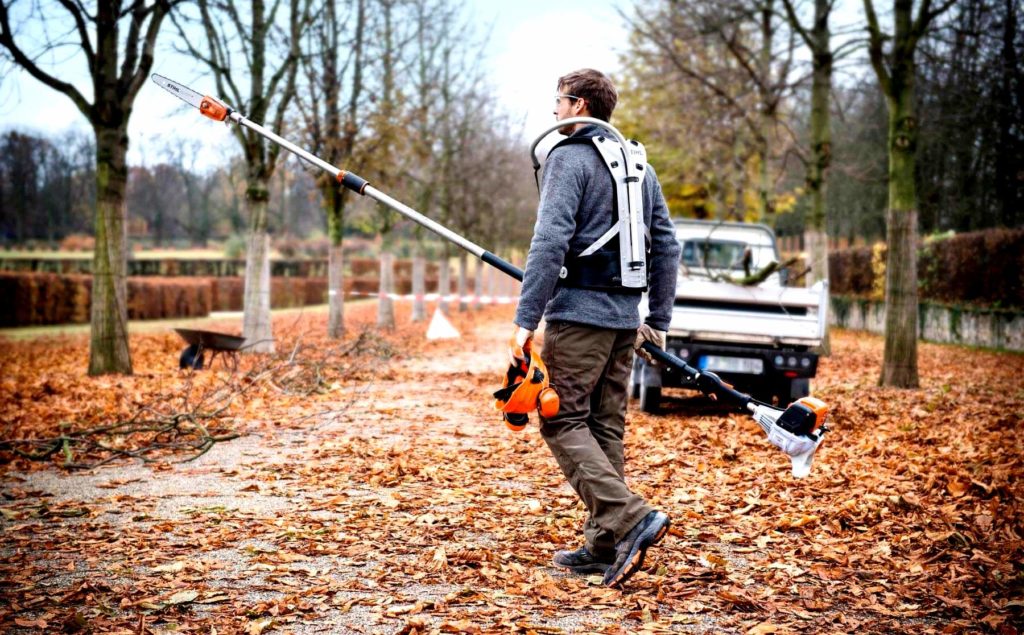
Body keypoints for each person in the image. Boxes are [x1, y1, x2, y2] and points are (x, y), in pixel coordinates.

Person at [510, 68, 681, 588]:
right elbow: (667, 246)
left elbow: (549, 242)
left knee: (562, 420)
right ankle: (605, 544)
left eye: (559, 100)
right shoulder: (639, 166)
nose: (555, 110)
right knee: (605, 426)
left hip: (578, 320)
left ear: (580, 104)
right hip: (624, 323)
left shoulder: (568, 158)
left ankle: (630, 518)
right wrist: (657, 320)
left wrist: (525, 320)